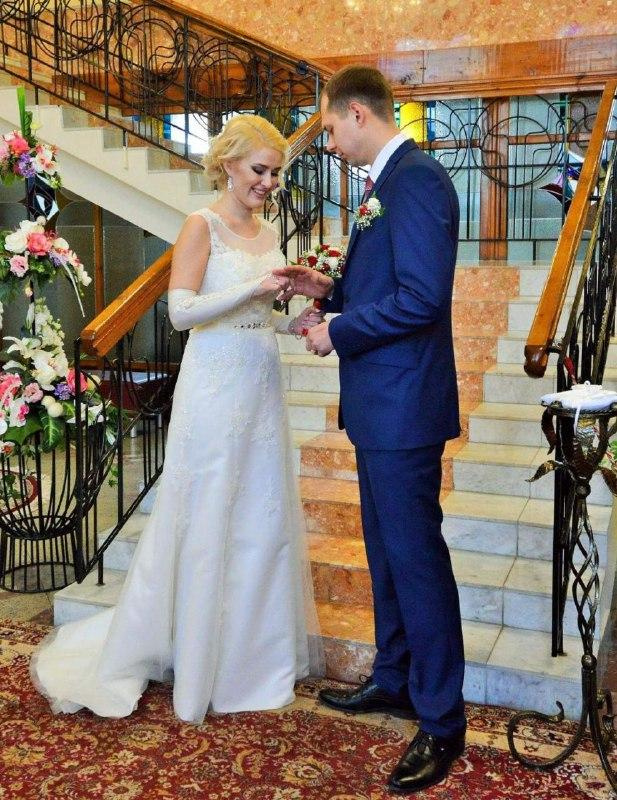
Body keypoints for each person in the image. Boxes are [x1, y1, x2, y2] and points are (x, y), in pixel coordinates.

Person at [30, 114, 324, 723]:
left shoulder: (270, 233)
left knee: (258, 517)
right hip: (213, 386)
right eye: (259, 170)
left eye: (276, 173)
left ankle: (252, 661)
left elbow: (256, 318)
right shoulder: (201, 225)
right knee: (207, 511)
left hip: (260, 384)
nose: (269, 182)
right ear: (228, 165)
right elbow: (182, 312)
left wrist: (291, 322)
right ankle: (194, 658)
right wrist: (251, 292)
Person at [274, 66, 466, 794]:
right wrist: (329, 292)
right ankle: (395, 677)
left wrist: (340, 332)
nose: (326, 141)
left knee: (416, 560)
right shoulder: (388, 183)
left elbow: (421, 298)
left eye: (328, 128)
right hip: (382, 405)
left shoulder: (415, 181)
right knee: (386, 554)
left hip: (404, 407)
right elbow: (387, 284)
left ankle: (441, 721)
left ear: (358, 114)